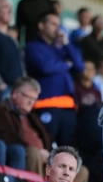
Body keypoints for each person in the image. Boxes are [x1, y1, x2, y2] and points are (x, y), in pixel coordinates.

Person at [25, 11, 83, 147]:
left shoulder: (62, 49)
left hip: (68, 108)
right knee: (45, 145)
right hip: (46, 104)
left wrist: (67, 43)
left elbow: (80, 66)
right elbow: (44, 67)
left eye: (59, 25)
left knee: (67, 150)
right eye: (53, 24)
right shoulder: (33, 46)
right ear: (41, 25)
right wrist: (67, 64)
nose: (57, 28)